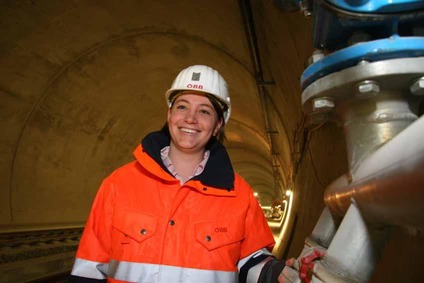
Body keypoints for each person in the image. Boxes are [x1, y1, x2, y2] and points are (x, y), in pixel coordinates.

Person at [69, 65, 287, 283]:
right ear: (169, 114)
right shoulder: (118, 184)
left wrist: (280, 274)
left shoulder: (240, 196)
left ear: (218, 125)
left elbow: (251, 262)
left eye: (204, 111)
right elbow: (88, 269)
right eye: (182, 107)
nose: (190, 118)